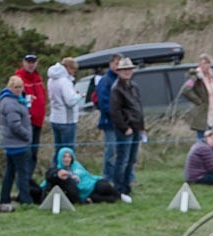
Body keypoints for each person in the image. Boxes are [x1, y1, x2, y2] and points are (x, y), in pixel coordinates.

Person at [110, 56, 146, 197]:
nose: (127, 72)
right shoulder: (116, 89)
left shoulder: (134, 86)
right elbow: (115, 111)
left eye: (129, 69)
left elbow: (138, 106)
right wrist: (125, 127)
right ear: (119, 71)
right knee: (122, 160)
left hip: (136, 127)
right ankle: (119, 188)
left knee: (131, 159)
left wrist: (142, 126)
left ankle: (126, 187)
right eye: (124, 70)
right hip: (125, 129)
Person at [44, 146, 133, 203]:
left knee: (103, 187)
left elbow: (82, 173)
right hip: (84, 194)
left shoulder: (76, 165)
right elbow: (49, 178)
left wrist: (75, 176)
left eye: (69, 157)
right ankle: (115, 199)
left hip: (92, 184)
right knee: (100, 198)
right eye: (64, 157)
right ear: (60, 157)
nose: (67, 159)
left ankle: (120, 195)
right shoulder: (58, 170)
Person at [0, 75, 33, 212]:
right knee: (22, 173)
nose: (19, 90)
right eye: (16, 87)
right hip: (17, 144)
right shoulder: (10, 103)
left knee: (10, 173)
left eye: (20, 87)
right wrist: (27, 136)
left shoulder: (16, 100)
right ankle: (25, 199)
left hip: (14, 143)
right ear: (10, 87)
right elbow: (15, 125)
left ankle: (5, 198)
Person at [15, 54, 46, 177]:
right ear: (23, 62)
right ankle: (23, 182)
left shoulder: (37, 78)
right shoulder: (19, 78)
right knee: (26, 154)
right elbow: (17, 99)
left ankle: (28, 181)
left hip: (38, 121)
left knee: (33, 154)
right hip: (27, 122)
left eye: (33, 62)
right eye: (28, 62)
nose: (31, 64)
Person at [47, 57, 81, 162]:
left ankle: (55, 172)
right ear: (67, 68)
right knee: (68, 151)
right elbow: (70, 101)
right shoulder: (64, 81)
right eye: (72, 70)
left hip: (55, 118)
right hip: (67, 120)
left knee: (58, 150)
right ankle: (67, 174)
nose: (73, 73)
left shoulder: (51, 79)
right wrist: (79, 96)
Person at [182, 53, 213, 139]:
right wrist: (197, 100)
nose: (206, 65)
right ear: (200, 64)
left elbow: (211, 94)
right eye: (204, 63)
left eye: (208, 63)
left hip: (212, 114)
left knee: (211, 141)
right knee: (202, 141)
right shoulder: (196, 76)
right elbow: (186, 90)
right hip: (202, 114)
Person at [96, 53, 122, 182]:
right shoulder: (105, 81)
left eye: (120, 64)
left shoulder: (123, 80)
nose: (118, 67)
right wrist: (117, 114)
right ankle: (108, 176)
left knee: (123, 151)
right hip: (110, 121)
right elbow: (103, 103)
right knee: (110, 151)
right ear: (111, 64)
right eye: (116, 64)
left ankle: (123, 176)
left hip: (123, 122)